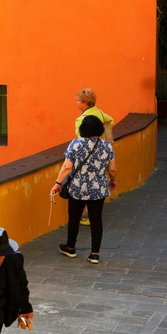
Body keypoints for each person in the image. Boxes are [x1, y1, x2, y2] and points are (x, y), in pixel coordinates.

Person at [51, 115, 116, 264]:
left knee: (74, 218)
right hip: (98, 188)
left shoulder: (76, 144)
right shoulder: (107, 146)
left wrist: (58, 183)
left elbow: (67, 167)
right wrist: (113, 181)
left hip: (77, 188)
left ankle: (70, 247)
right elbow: (112, 169)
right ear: (100, 129)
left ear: (83, 129)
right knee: (96, 220)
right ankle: (94, 254)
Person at [74, 89, 114, 225]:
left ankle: (89, 217)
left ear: (85, 103)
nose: (76, 103)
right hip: (100, 153)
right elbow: (111, 120)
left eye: (78, 101)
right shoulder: (99, 112)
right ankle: (93, 217)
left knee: (86, 187)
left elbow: (81, 137)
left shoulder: (82, 119)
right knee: (97, 183)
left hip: (88, 155)